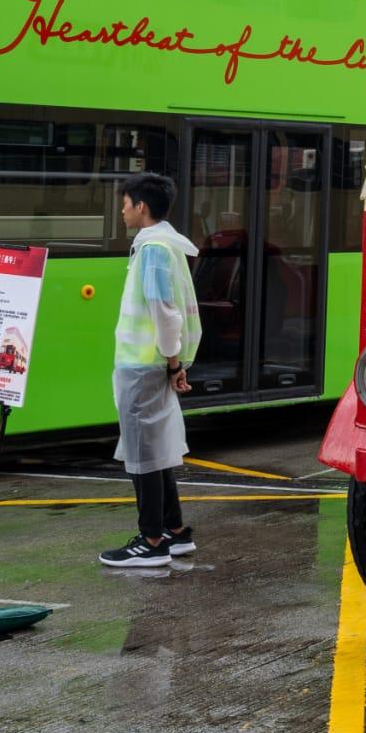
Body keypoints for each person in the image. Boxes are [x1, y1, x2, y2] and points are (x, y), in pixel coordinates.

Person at [99, 172, 203, 568]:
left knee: (143, 453)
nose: (122, 212)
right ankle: (174, 531)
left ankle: (152, 540)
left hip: (142, 366)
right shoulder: (164, 244)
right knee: (157, 450)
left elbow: (164, 312)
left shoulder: (154, 249)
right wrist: (173, 364)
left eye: (125, 204)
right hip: (153, 364)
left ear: (141, 206)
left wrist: (173, 362)